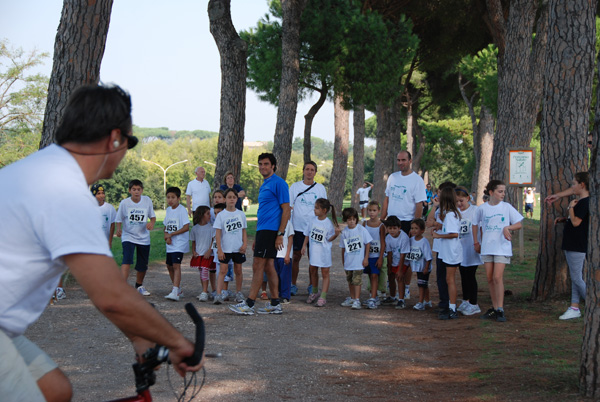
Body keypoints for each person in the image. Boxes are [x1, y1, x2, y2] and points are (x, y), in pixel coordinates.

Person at [0, 84, 200, 401]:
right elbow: (111, 296)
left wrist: (139, 336)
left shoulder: (42, 168)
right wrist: (178, 342)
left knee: (55, 390)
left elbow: (104, 289)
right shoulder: (66, 192)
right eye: (129, 142)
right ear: (115, 139)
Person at [229, 153, 290, 315]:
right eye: (260, 164)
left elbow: (286, 210)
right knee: (269, 266)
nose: (262, 167)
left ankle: (249, 304)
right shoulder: (264, 184)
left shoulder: (279, 183)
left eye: (266, 164)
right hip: (263, 231)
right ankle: (276, 303)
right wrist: (257, 236)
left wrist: (280, 234)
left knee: (258, 265)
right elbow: (263, 212)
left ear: (273, 166)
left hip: (271, 231)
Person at [473, 180, 523, 322]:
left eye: (504, 192)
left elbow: (518, 223)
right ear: (491, 192)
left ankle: (500, 308)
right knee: (489, 278)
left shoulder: (506, 207)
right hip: (487, 247)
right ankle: (494, 308)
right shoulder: (482, 209)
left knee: (497, 277)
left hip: (502, 247)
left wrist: (508, 228)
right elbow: (475, 224)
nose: (502, 194)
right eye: (500, 191)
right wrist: (476, 242)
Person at [548, 172, 589, 320]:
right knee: (575, 276)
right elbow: (577, 220)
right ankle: (574, 307)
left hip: (577, 244)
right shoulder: (582, 202)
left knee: (577, 278)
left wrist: (570, 207)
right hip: (572, 243)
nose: (572, 187)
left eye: (574, 184)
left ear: (582, 185)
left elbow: (577, 222)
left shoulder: (585, 202)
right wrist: (565, 219)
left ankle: (593, 304)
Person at [289, 161, 327, 296]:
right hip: (298, 227)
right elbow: (289, 206)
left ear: (315, 172)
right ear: (303, 171)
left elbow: (324, 208)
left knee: (314, 258)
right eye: (307, 169)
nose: (309, 172)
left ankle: (313, 285)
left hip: (315, 229)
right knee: (296, 256)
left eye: (312, 170)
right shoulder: (295, 187)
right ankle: (292, 284)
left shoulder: (320, 189)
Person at [115, 179, 156, 296]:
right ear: (129, 191)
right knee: (127, 259)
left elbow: (152, 217)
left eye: (138, 189)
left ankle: (139, 285)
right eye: (134, 189)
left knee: (142, 264)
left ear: (142, 190)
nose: (136, 192)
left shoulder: (147, 201)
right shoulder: (125, 203)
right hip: (128, 235)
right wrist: (119, 229)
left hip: (143, 237)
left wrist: (152, 223)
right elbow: (119, 219)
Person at [301, 198, 341, 307]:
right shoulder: (312, 220)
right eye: (315, 207)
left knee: (325, 273)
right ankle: (314, 292)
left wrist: (336, 235)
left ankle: (323, 296)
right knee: (313, 270)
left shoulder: (328, 223)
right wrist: (304, 245)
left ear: (324, 210)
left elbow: (329, 238)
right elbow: (307, 234)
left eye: (317, 208)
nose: (314, 210)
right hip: (313, 251)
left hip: (324, 252)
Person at [432, 187, 463, 320]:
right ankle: (451, 306)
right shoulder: (451, 213)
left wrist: (439, 236)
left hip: (451, 251)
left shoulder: (450, 215)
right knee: (448, 279)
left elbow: (454, 234)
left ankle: (452, 308)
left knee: (450, 280)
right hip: (449, 250)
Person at [426, 181, 456, 314]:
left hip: (449, 248)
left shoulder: (452, 212)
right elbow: (429, 222)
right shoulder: (440, 209)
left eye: (440, 193)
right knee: (441, 276)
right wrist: (434, 206)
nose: (438, 195)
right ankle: (444, 301)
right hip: (440, 248)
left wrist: (439, 230)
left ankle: (451, 305)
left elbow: (452, 232)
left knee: (449, 278)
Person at [213, 188, 247, 305]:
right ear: (225, 199)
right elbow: (218, 234)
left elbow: (243, 231)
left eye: (234, 197)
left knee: (238, 270)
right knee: (223, 271)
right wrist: (219, 249)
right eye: (229, 197)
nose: (231, 199)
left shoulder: (241, 214)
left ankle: (238, 293)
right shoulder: (221, 215)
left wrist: (245, 244)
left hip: (238, 248)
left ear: (237, 199)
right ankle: (218, 294)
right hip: (225, 248)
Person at [381, 150, 427, 235]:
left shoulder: (417, 180)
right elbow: (387, 199)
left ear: (410, 161)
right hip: (391, 221)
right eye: (398, 160)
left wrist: (414, 227)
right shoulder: (392, 177)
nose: (400, 163)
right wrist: (382, 220)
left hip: (407, 222)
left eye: (403, 160)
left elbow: (419, 205)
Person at [455, 186, 482, 316]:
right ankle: (466, 300)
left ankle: (474, 303)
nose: (459, 204)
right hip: (461, 249)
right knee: (463, 274)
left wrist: (479, 243)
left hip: (472, 248)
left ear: (468, 199)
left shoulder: (475, 211)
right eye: (456, 202)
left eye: (461, 201)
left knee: (471, 275)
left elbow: (480, 227)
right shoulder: (455, 212)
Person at [339, 207, 372, 310]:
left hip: (358, 262)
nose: (352, 221)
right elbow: (343, 248)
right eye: (349, 219)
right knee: (350, 280)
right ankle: (352, 298)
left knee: (357, 280)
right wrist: (343, 261)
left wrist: (366, 258)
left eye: (354, 219)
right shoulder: (345, 232)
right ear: (345, 220)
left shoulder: (361, 230)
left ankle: (357, 299)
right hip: (349, 262)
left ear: (356, 219)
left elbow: (368, 243)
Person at [163, 186, 190, 301]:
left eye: (173, 197)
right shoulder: (168, 210)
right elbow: (165, 226)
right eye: (168, 197)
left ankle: (175, 291)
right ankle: (178, 289)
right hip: (170, 243)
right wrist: (166, 236)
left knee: (176, 265)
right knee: (169, 265)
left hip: (179, 243)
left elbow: (186, 227)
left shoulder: (182, 210)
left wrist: (172, 234)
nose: (170, 200)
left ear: (178, 198)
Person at [361, 200, 386, 309]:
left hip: (376, 255)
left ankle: (373, 298)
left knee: (375, 275)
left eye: (374, 210)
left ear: (379, 211)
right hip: (367, 255)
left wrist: (381, 257)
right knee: (370, 275)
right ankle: (373, 296)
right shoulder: (365, 224)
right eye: (370, 210)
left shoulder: (381, 225)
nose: (372, 213)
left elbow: (383, 242)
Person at [382, 216, 410, 309]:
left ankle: (401, 300)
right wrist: (389, 266)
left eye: (395, 228)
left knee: (399, 278)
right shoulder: (388, 238)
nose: (392, 230)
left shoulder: (404, 237)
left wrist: (400, 269)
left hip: (403, 262)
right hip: (394, 260)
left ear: (399, 228)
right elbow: (389, 253)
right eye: (390, 228)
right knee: (390, 277)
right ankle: (392, 297)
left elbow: (403, 255)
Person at [406, 219, 433, 311]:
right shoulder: (411, 240)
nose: (413, 230)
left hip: (423, 268)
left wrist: (426, 268)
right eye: (412, 228)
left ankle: (420, 302)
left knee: (421, 284)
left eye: (416, 228)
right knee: (423, 284)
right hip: (417, 267)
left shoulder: (424, 242)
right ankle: (427, 300)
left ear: (422, 230)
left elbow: (428, 257)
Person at [190, 206, 214, 302]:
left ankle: (204, 292)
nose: (210, 215)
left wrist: (210, 250)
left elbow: (213, 240)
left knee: (204, 271)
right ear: (201, 215)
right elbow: (193, 241)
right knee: (201, 272)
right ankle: (205, 290)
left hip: (207, 254)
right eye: (207, 213)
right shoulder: (195, 229)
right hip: (199, 254)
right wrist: (194, 251)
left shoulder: (211, 228)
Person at [275, 218, 295, 304]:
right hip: (275, 255)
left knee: (285, 276)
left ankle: (285, 295)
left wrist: (288, 254)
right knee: (276, 276)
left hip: (284, 254)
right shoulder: (274, 222)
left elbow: (290, 239)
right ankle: (277, 294)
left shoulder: (288, 223)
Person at [91, 183, 116, 247]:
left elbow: (112, 225)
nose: (101, 195)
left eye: (103, 193)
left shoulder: (110, 208)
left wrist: (110, 241)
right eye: (98, 193)